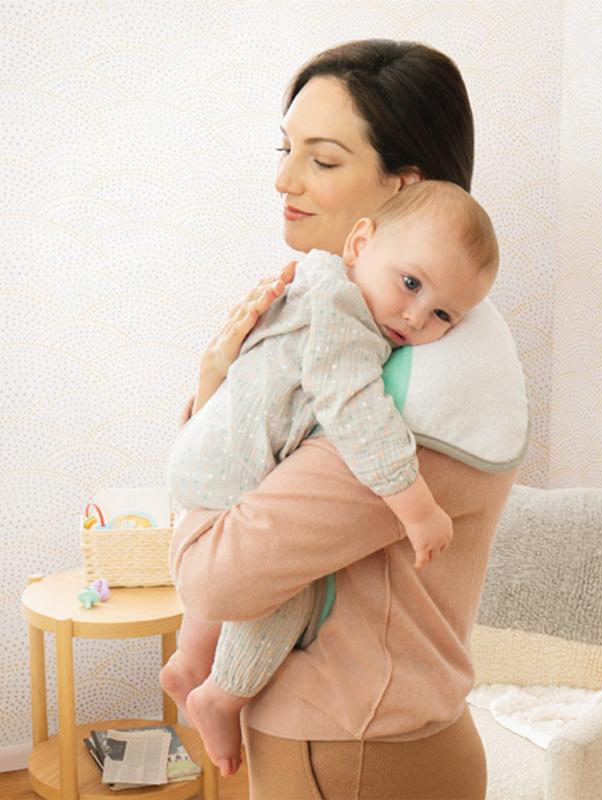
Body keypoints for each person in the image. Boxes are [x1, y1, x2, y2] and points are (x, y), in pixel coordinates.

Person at [168, 40, 518, 799]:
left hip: (355, 752)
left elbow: (215, 577)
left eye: (322, 160)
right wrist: (216, 381)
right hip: (348, 741)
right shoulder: (356, 317)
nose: (284, 179)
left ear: (403, 186)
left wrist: (205, 443)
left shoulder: (416, 387)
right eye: (286, 150)